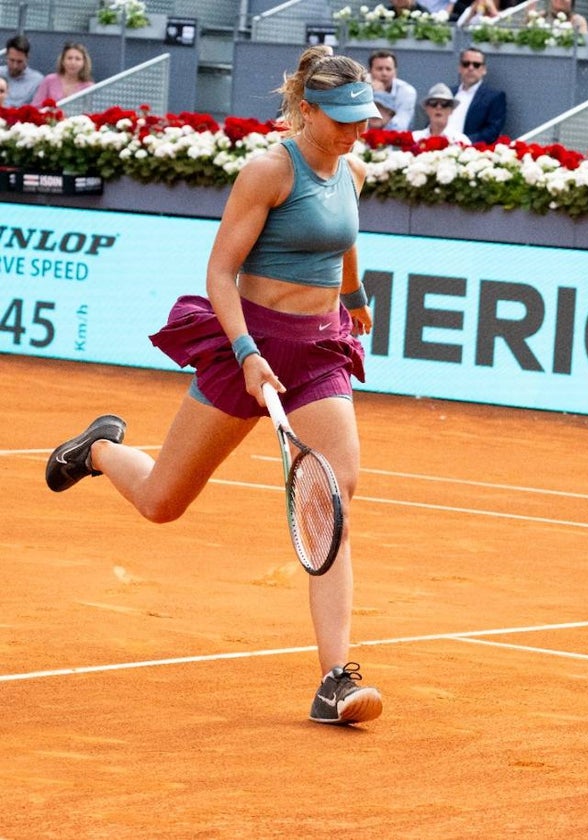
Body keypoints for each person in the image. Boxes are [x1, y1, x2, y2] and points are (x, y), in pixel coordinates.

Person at [44, 45, 384, 727]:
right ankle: (101, 451)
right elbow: (220, 273)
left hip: (318, 350)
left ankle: (335, 679)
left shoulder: (352, 168)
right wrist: (247, 351)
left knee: (335, 491)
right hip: (248, 345)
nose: (353, 130)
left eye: (361, 119)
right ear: (307, 109)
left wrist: (353, 295)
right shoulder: (266, 171)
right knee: (163, 502)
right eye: (340, 118)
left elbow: (345, 237)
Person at [447, 48, 506, 144]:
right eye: (466, 64)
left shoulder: (494, 97)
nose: (471, 68)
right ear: (460, 68)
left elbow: (492, 131)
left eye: (476, 65)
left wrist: (463, 142)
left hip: (469, 151)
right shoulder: (448, 93)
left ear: (484, 70)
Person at [31, 42, 95, 107]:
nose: (73, 63)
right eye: (69, 58)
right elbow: (36, 106)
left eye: (77, 59)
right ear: (62, 61)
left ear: (84, 63)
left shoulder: (89, 87)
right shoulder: (49, 80)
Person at [367, 50, 417, 130]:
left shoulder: (407, 91)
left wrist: (380, 94)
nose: (384, 73)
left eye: (388, 69)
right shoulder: (360, 87)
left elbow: (399, 127)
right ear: (370, 71)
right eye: (379, 69)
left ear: (395, 72)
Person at [0, 35, 45, 107]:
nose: (15, 66)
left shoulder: (37, 81)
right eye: (12, 60)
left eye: (19, 62)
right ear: (6, 56)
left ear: (27, 58)